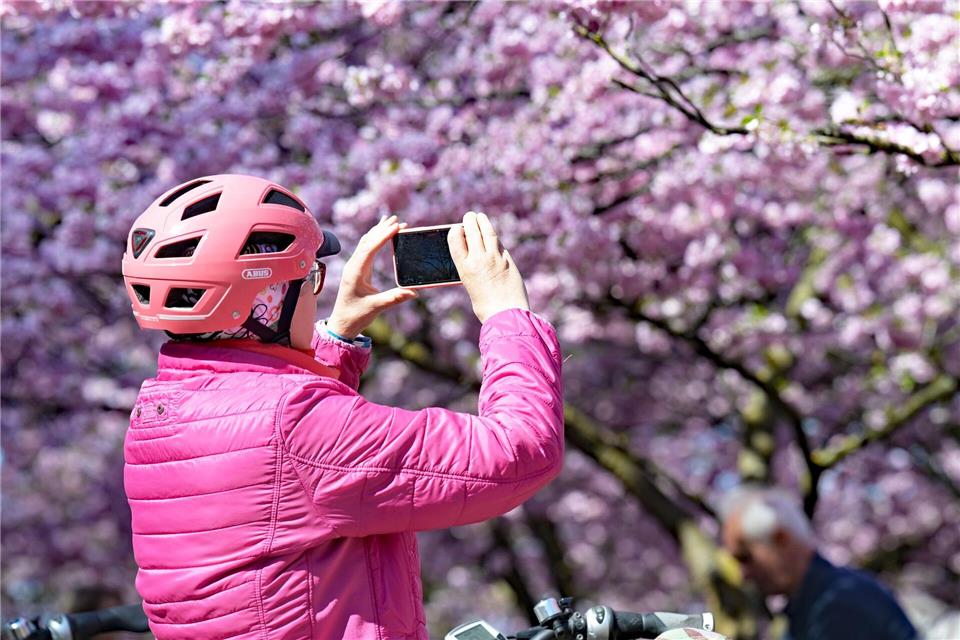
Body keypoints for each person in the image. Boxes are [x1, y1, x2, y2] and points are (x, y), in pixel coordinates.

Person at [120, 174, 564, 639]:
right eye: (310, 278)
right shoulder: (294, 424)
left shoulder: (158, 410)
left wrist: (337, 336)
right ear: (265, 302)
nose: (316, 293)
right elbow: (518, 451)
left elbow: (285, 467)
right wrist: (506, 313)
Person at [720, 486, 917, 640]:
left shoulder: (838, 605)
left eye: (746, 558)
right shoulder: (820, 603)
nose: (743, 575)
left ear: (781, 539)